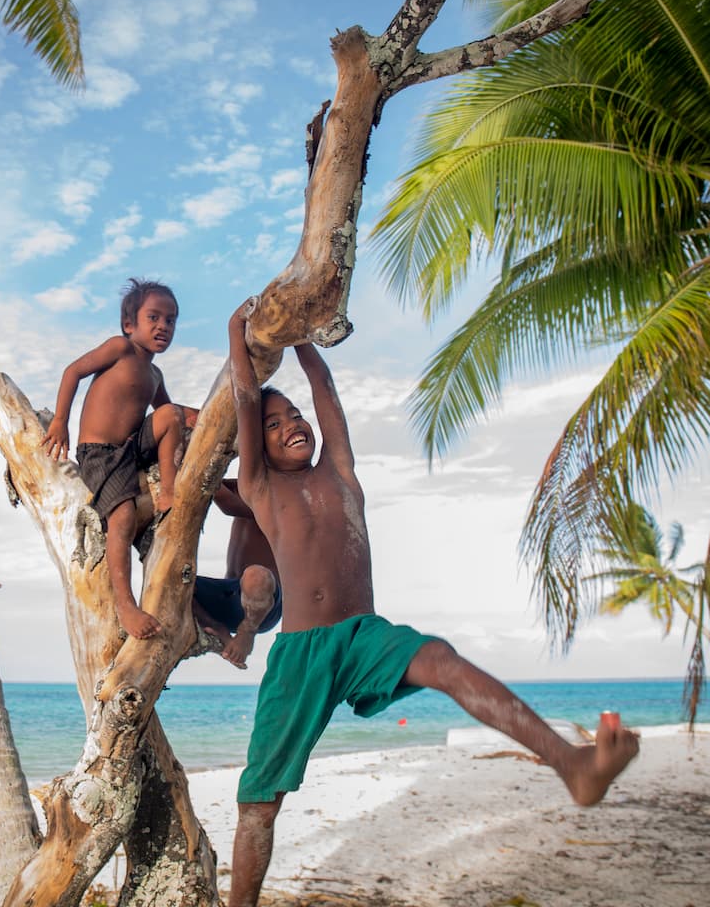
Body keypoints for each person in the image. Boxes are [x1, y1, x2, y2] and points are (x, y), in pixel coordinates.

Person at [223, 299, 640, 907]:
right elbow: (242, 403)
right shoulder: (260, 488)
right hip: (300, 654)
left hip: (363, 634)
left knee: (442, 660)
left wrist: (303, 341)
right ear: (254, 447)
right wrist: (237, 335)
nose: (291, 423)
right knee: (259, 802)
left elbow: (327, 395)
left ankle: (572, 765)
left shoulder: (340, 473)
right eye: (275, 421)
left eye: (294, 416)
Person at [43, 278, 197, 640]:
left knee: (172, 415)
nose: (164, 326)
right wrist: (60, 420)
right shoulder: (120, 349)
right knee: (123, 516)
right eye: (154, 317)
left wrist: (211, 413)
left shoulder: (155, 374)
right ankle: (126, 605)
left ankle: (168, 491)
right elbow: (73, 372)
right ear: (130, 325)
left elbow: (169, 413)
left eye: (171, 320)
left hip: (131, 449)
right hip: (98, 454)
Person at [194, 479, 281, 668]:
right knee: (172, 581)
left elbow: (230, 505)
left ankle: (246, 632)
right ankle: (217, 629)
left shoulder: (285, 496)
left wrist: (200, 473)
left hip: (264, 602)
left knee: (255, 575)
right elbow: (217, 484)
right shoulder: (246, 485)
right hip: (230, 597)